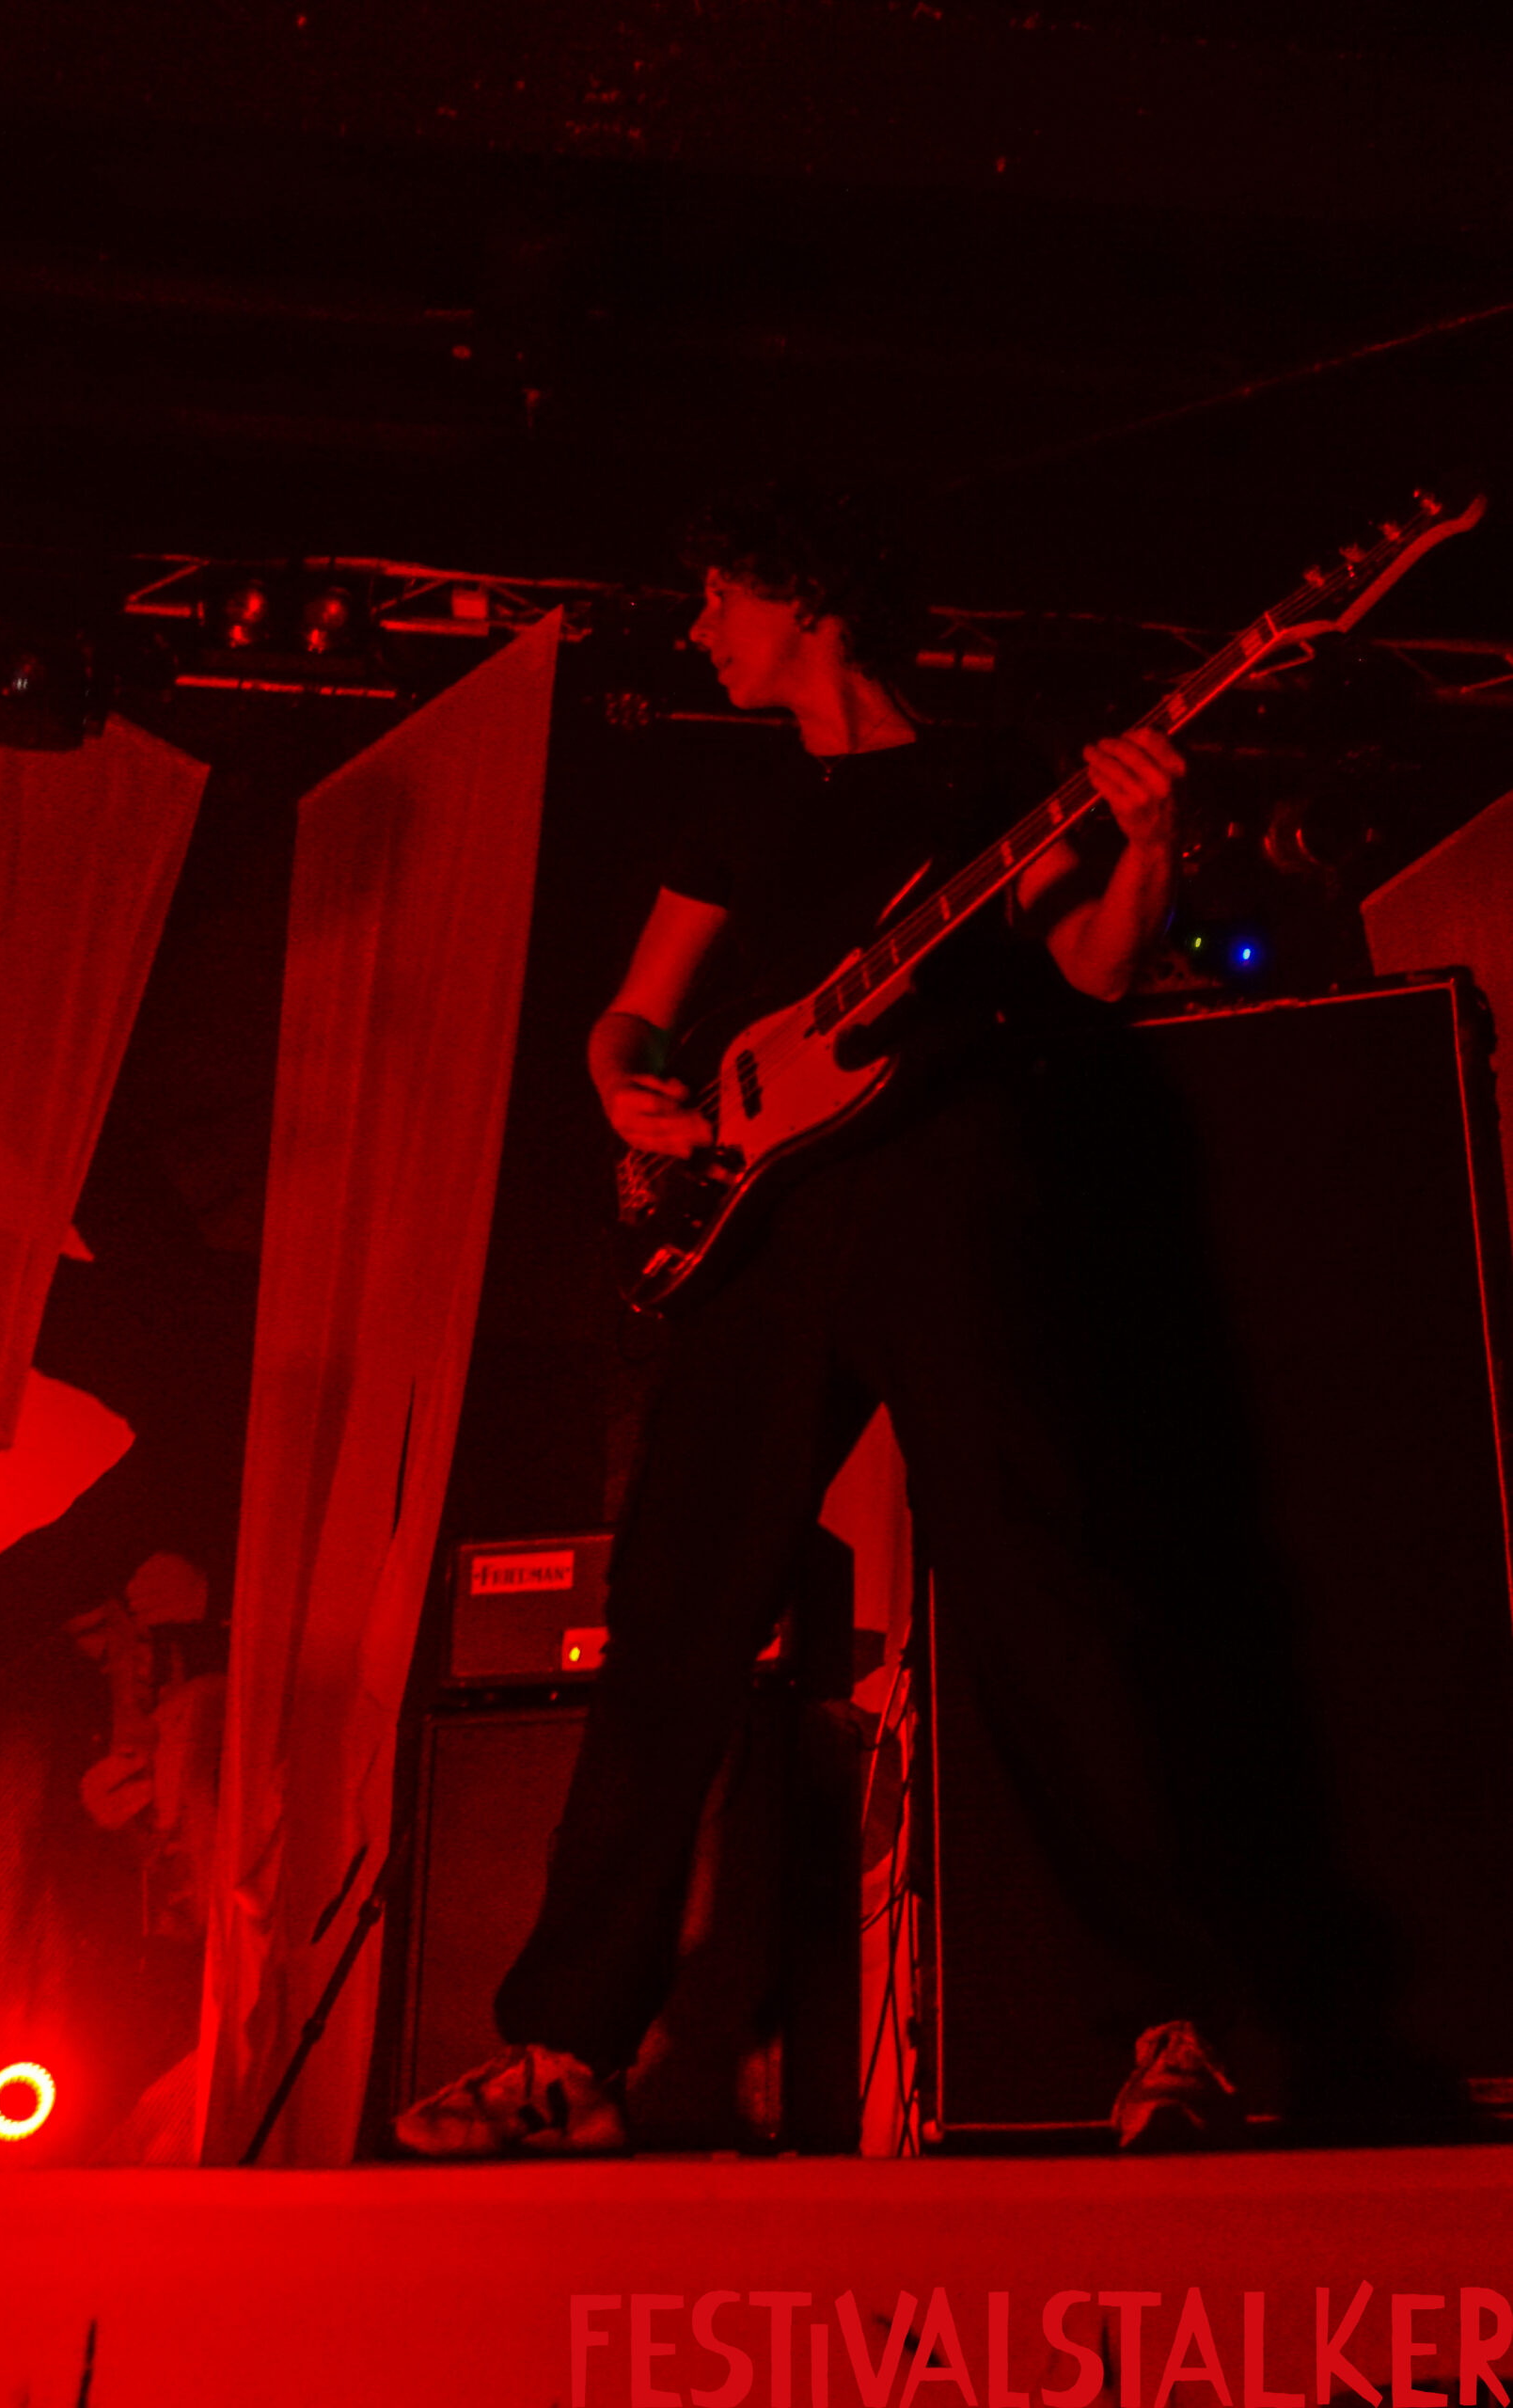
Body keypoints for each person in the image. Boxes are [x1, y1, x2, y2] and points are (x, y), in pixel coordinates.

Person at [394, 485, 1412, 2160]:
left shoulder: (995, 777)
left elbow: (1091, 978)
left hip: (955, 1199)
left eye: (721, 600)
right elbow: (632, 1016)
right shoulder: (740, 802)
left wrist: (1150, 843)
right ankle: (565, 2053)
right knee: (670, 1624)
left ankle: (1166, 2031)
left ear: (807, 599)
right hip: (765, 1230)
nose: (700, 632)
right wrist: (633, 1091)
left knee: (1041, 1600)